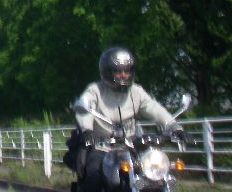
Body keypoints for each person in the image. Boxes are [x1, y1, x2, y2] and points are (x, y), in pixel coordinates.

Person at [74, 47, 187, 192]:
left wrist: (175, 128)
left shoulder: (136, 92)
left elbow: (154, 109)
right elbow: (85, 108)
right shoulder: (95, 90)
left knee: (156, 174)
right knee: (93, 175)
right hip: (102, 146)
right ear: (107, 72)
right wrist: (87, 130)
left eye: (127, 71)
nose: (123, 75)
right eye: (118, 71)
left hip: (131, 145)